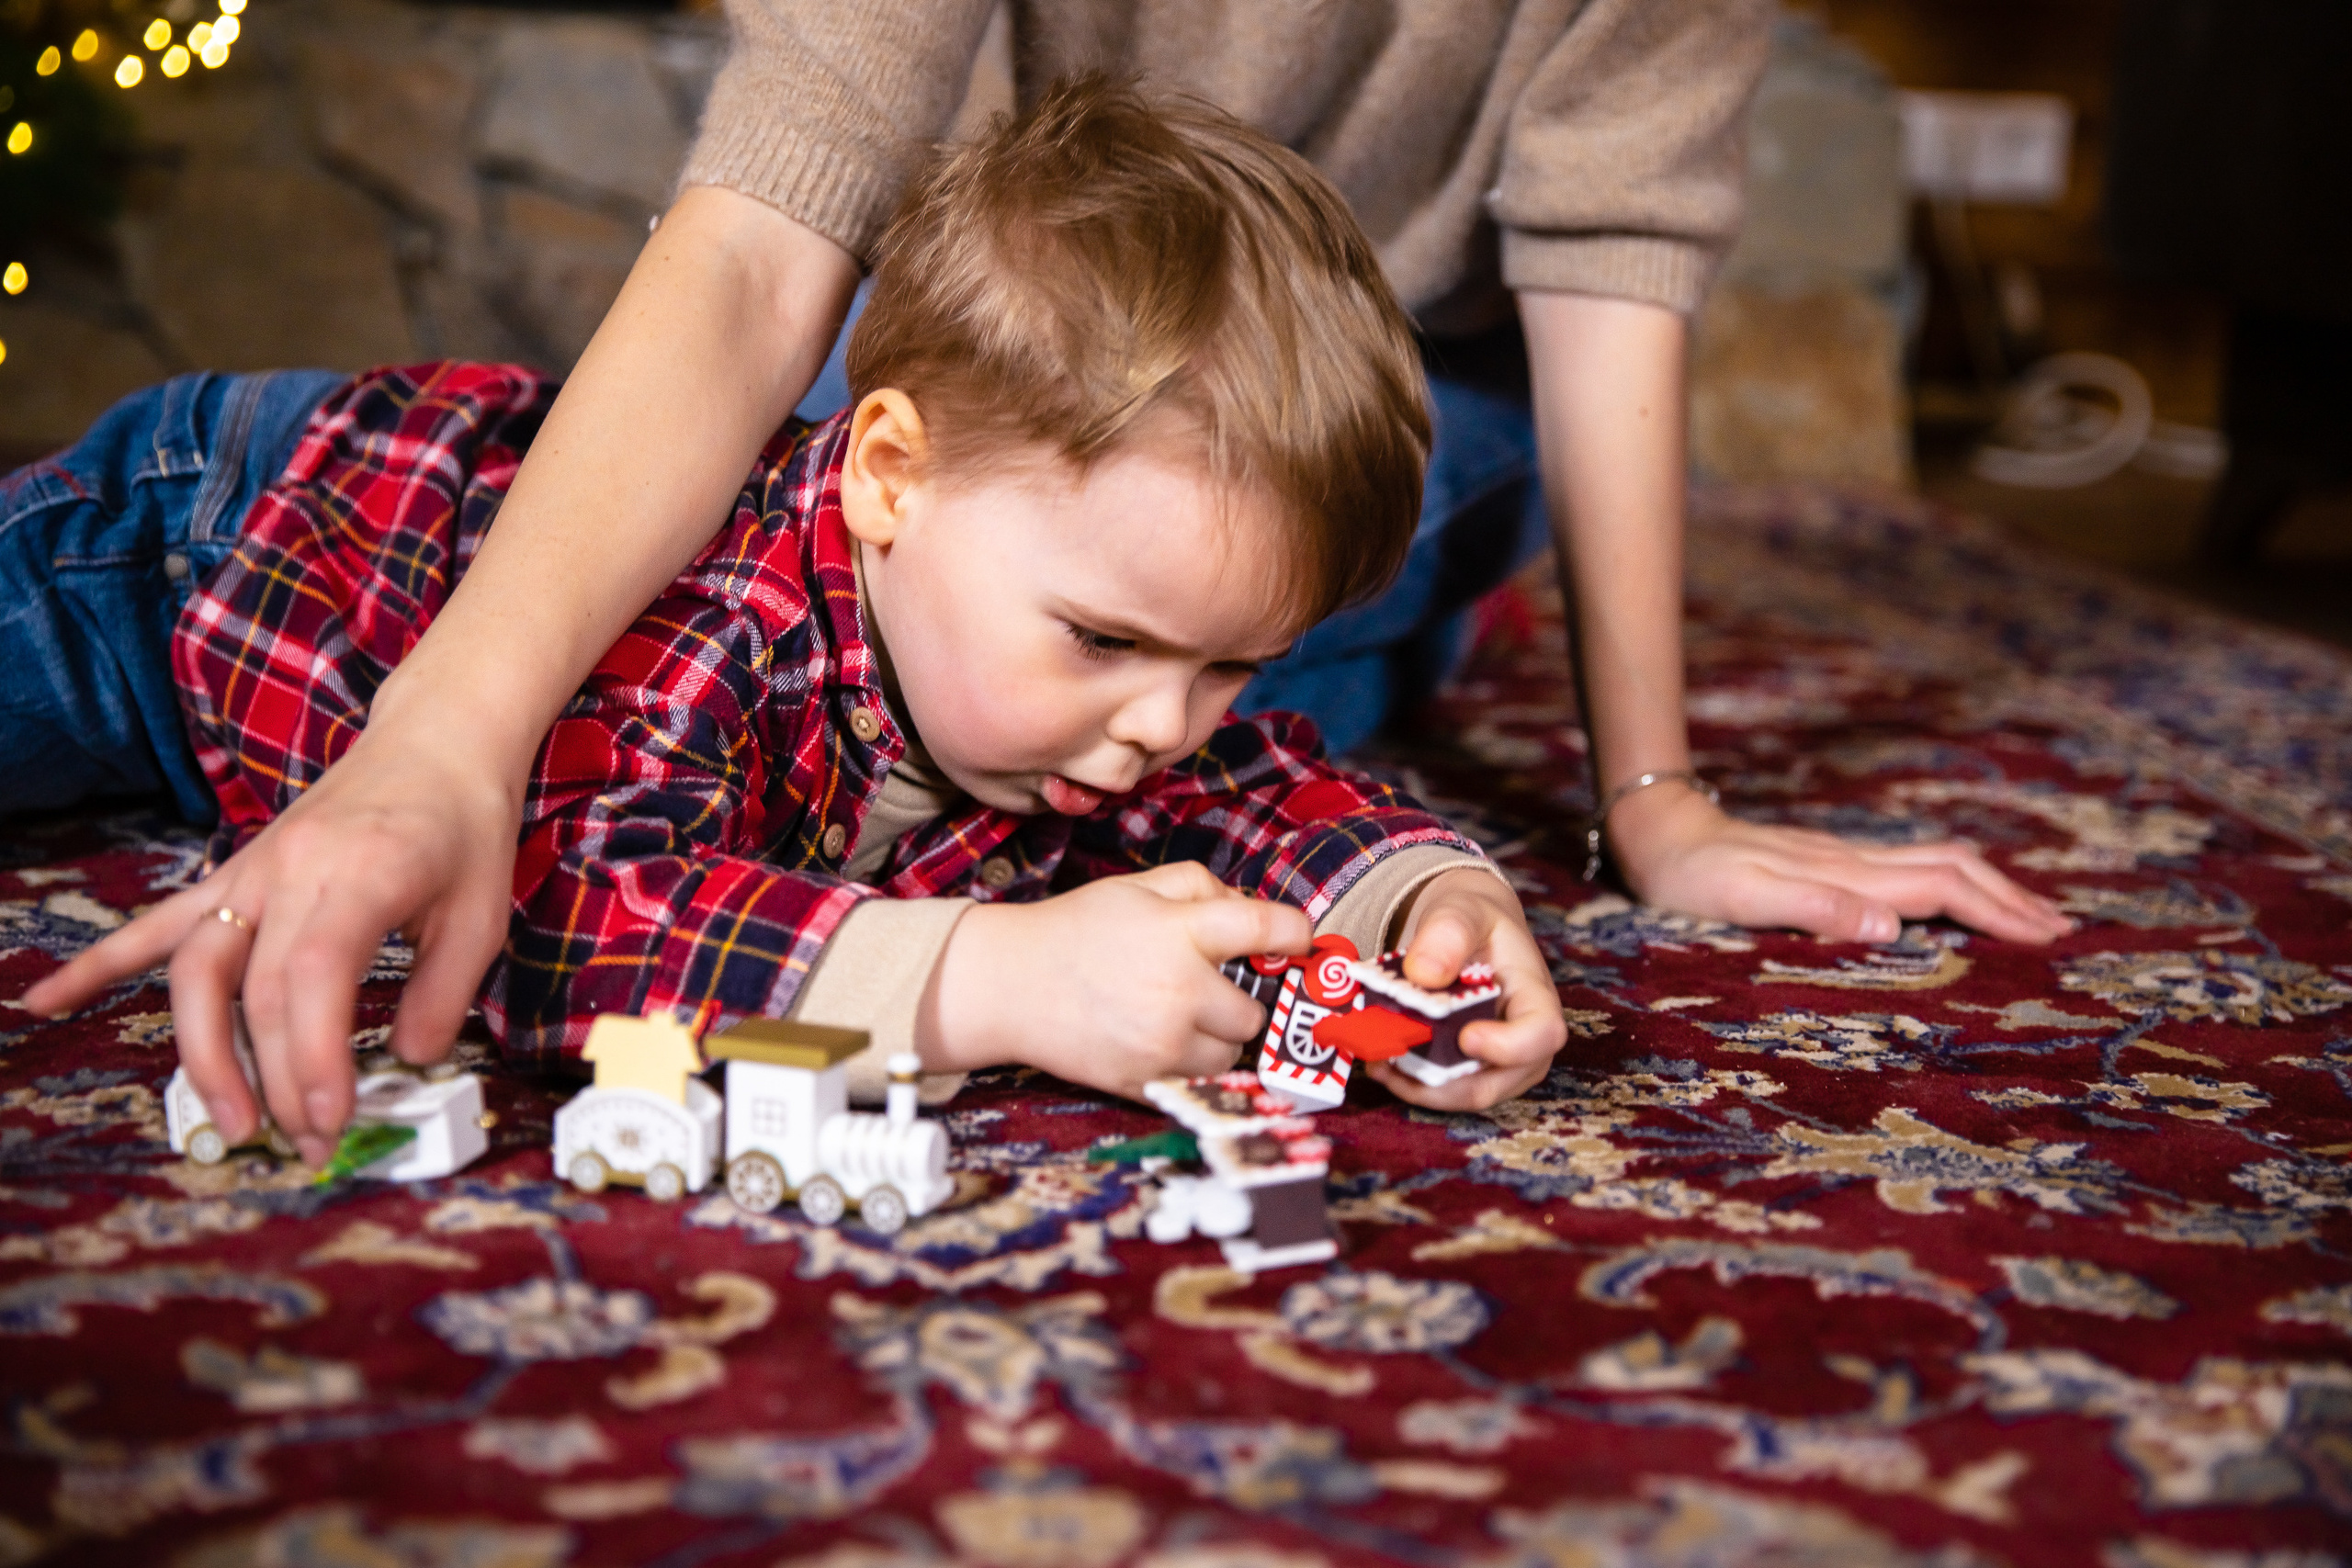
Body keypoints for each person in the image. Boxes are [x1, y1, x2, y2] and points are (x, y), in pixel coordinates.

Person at [25, 2, 2067, 1162]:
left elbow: (1244, 778)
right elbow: (577, 914)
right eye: (1111, 638)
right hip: (203, 542)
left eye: (1225, 657)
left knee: (1123, 726)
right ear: (889, 476)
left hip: (1051, 500)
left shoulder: (1116, 677)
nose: (1170, 718)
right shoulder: (731, 629)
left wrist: (1423, 894)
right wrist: (998, 982)